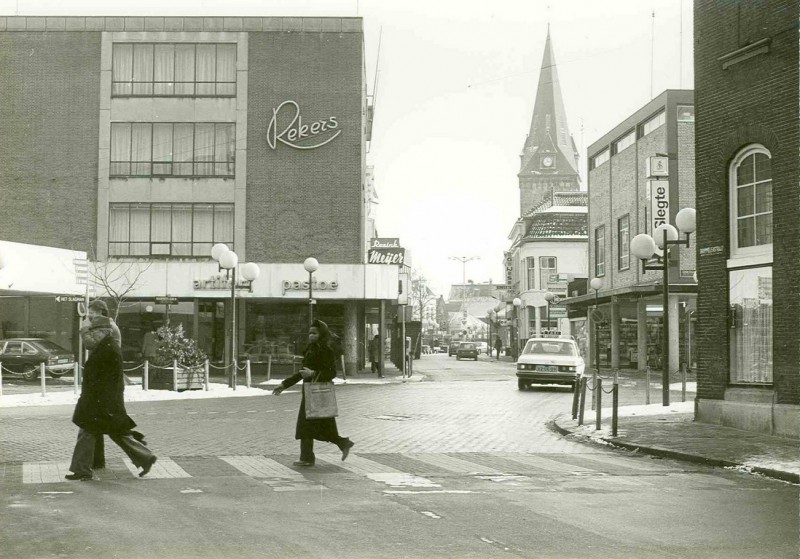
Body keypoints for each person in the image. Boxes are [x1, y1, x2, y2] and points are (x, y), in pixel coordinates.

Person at [66, 320, 157, 481]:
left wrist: (102, 403)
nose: (93, 335)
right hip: (102, 402)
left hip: (99, 402)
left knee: (89, 433)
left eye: (95, 332)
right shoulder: (106, 347)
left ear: (104, 331)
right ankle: (145, 457)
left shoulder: (108, 349)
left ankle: (82, 470)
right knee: (116, 433)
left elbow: (108, 380)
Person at [272, 320, 354, 467]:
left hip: (318, 393)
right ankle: (341, 444)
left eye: (314, 333)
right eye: (310, 333)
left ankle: (308, 457)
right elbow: (302, 372)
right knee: (317, 426)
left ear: (321, 334)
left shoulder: (325, 350)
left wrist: (314, 373)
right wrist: (284, 385)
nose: (311, 336)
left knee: (310, 425)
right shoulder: (311, 349)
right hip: (310, 391)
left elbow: (332, 372)